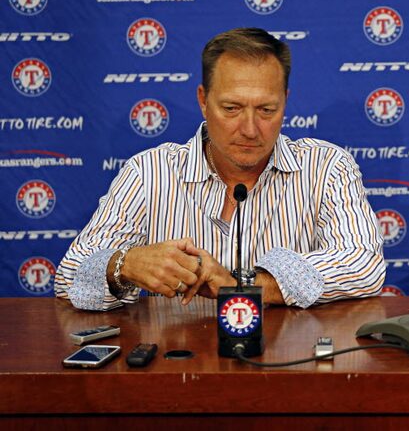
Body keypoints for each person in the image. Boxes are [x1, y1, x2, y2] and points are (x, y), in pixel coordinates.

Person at [56, 28, 385, 310]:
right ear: (203, 99)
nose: (250, 129)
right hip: (173, 370)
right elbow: (68, 278)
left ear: (285, 101)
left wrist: (241, 283)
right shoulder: (149, 172)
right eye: (232, 108)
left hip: (285, 369)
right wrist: (124, 265)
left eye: (267, 110)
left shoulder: (326, 167)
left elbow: (364, 265)